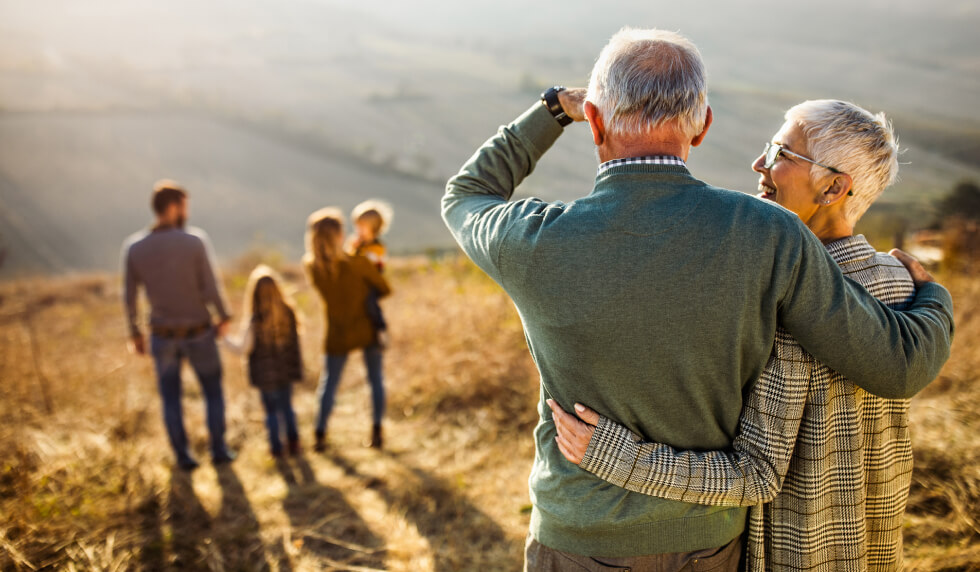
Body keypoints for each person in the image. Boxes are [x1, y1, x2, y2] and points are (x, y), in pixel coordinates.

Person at [441, 28, 954, 571]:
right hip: (710, 543)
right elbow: (897, 365)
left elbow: (467, 195)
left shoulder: (531, 239)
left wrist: (553, 111)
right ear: (703, 126)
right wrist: (932, 294)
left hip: (577, 539)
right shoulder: (769, 233)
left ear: (595, 121)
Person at [549, 99, 931, 571]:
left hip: (796, 555)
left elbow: (757, 475)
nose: (759, 164)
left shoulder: (784, 306)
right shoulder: (902, 280)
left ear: (833, 187)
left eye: (781, 155)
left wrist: (616, 457)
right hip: (874, 546)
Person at [122, 179, 235, 470]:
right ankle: (219, 450)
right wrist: (224, 316)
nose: (186, 213)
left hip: (161, 335)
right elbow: (210, 286)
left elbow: (130, 297)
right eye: (184, 207)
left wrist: (135, 333)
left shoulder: (135, 247)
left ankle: (183, 457)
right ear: (173, 207)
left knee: (170, 398)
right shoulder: (194, 241)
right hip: (198, 331)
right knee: (213, 392)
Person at [304, 207, 392, 451]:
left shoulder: (312, 267)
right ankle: (377, 432)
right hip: (367, 327)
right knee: (375, 380)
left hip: (337, 331)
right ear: (339, 236)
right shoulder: (359, 263)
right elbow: (384, 288)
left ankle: (319, 434)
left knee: (329, 383)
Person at [225, 265, 303, 458]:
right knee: (287, 408)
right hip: (286, 372)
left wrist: (222, 338)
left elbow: (241, 348)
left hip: (264, 376)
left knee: (271, 413)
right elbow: (295, 346)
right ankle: (294, 444)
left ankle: (276, 449)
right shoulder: (289, 313)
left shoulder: (254, 320)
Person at [347, 200, 393, 347]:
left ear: (373, 228)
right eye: (357, 226)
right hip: (357, 283)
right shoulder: (357, 244)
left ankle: (381, 328)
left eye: (362, 227)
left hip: (372, 284)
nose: (358, 230)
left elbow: (374, 266)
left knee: (370, 302)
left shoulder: (377, 247)